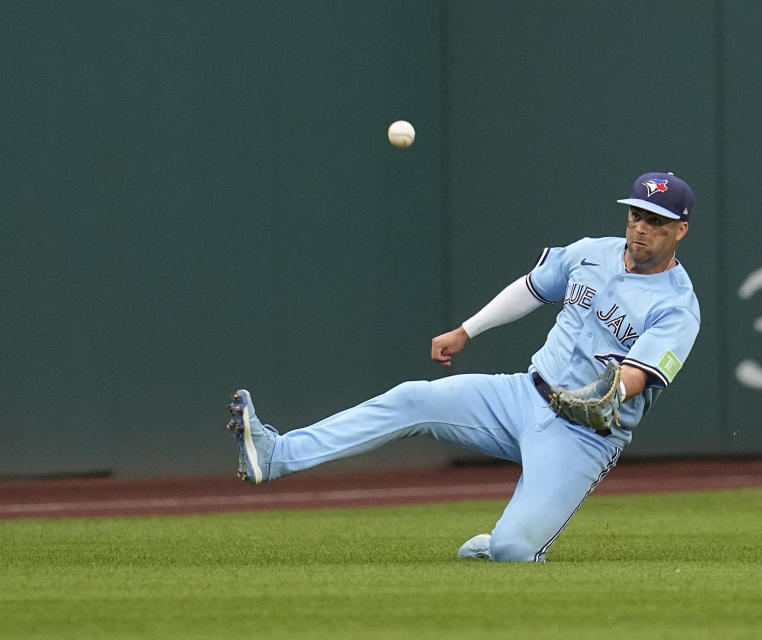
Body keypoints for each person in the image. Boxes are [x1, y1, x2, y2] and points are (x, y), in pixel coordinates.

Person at [227, 171, 701, 562]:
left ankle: (505, 544)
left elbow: (640, 376)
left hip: (581, 434)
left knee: (514, 552)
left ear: (680, 229)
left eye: (656, 220)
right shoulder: (589, 253)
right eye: (636, 214)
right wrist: (466, 330)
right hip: (520, 395)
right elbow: (531, 288)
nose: (640, 226)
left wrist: (614, 389)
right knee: (414, 398)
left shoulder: (678, 307)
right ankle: (277, 454)